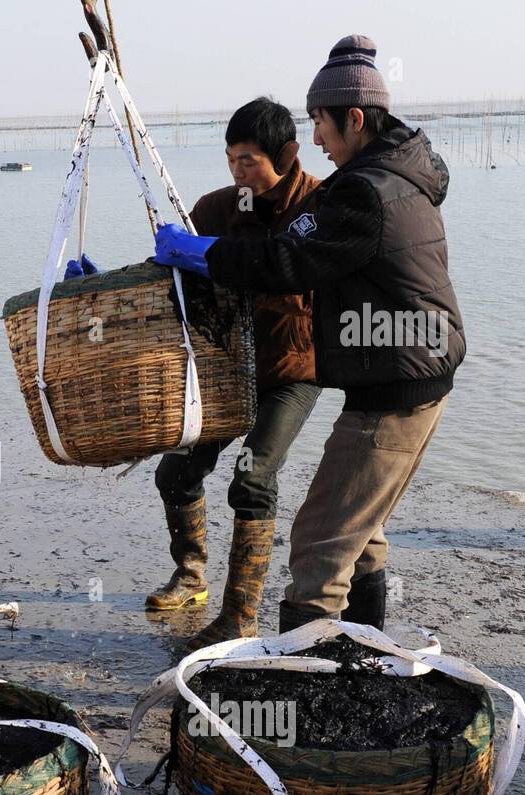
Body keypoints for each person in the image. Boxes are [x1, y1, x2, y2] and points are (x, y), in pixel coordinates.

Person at [151, 35, 466, 634]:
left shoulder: (358, 193)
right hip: (409, 374)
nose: (318, 138)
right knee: (361, 533)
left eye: (320, 123)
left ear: (353, 118)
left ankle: (304, 690)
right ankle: (367, 658)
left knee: (320, 543)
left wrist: (206, 253)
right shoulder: (397, 174)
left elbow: (286, 262)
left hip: (391, 384)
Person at [140, 97, 322, 649]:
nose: (239, 171)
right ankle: (192, 574)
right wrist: (136, 274)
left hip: (292, 367)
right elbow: (176, 279)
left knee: (253, 478)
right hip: (224, 368)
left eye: (250, 160)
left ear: (287, 155)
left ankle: (242, 612)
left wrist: (222, 257)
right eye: (231, 159)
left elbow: (287, 268)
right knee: (174, 474)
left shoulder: (318, 206)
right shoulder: (217, 207)